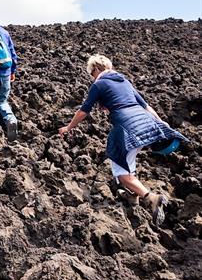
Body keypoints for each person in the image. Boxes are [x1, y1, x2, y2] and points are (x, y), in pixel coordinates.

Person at [58, 54, 188, 225]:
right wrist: (161, 124)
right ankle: (132, 197)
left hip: (128, 127)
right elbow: (146, 106)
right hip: (145, 122)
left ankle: (151, 198)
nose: (92, 77)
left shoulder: (99, 84)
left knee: (120, 171)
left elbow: (84, 111)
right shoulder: (124, 81)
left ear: (96, 69)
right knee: (128, 160)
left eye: (91, 73)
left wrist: (68, 127)